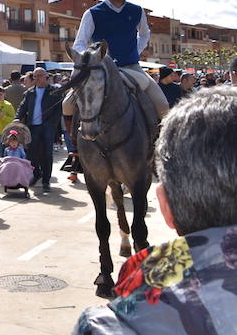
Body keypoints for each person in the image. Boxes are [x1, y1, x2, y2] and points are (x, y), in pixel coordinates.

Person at [73, 87, 237, 334]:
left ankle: (149, 144)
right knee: (70, 104)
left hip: (130, 70)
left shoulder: (100, 327)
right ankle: (76, 152)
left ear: (165, 205)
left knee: (160, 106)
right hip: (97, 71)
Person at [67, 0, 169, 120]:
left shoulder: (136, 11)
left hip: (131, 67)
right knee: (66, 105)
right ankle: (74, 142)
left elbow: (145, 33)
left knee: (163, 106)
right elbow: (79, 44)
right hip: (101, 69)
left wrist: (136, 50)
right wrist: (90, 59)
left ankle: (160, 142)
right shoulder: (92, 13)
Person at [15, 68, 65, 191]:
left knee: (47, 154)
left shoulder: (54, 91)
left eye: (39, 76)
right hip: (33, 126)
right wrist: (17, 118)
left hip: (48, 127)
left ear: (46, 77)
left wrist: (52, 122)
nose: (36, 78)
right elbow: (23, 107)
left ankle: (46, 181)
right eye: (34, 76)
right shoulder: (30, 92)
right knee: (31, 153)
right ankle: (36, 174)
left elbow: (59, 109)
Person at [0, 86, 16, 166]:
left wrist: (3, 117)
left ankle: (1, 168)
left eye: (1, 94)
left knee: (0, 153)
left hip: (3, 133)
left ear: (4, 94)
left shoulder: (8, 105)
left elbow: (13, 119)